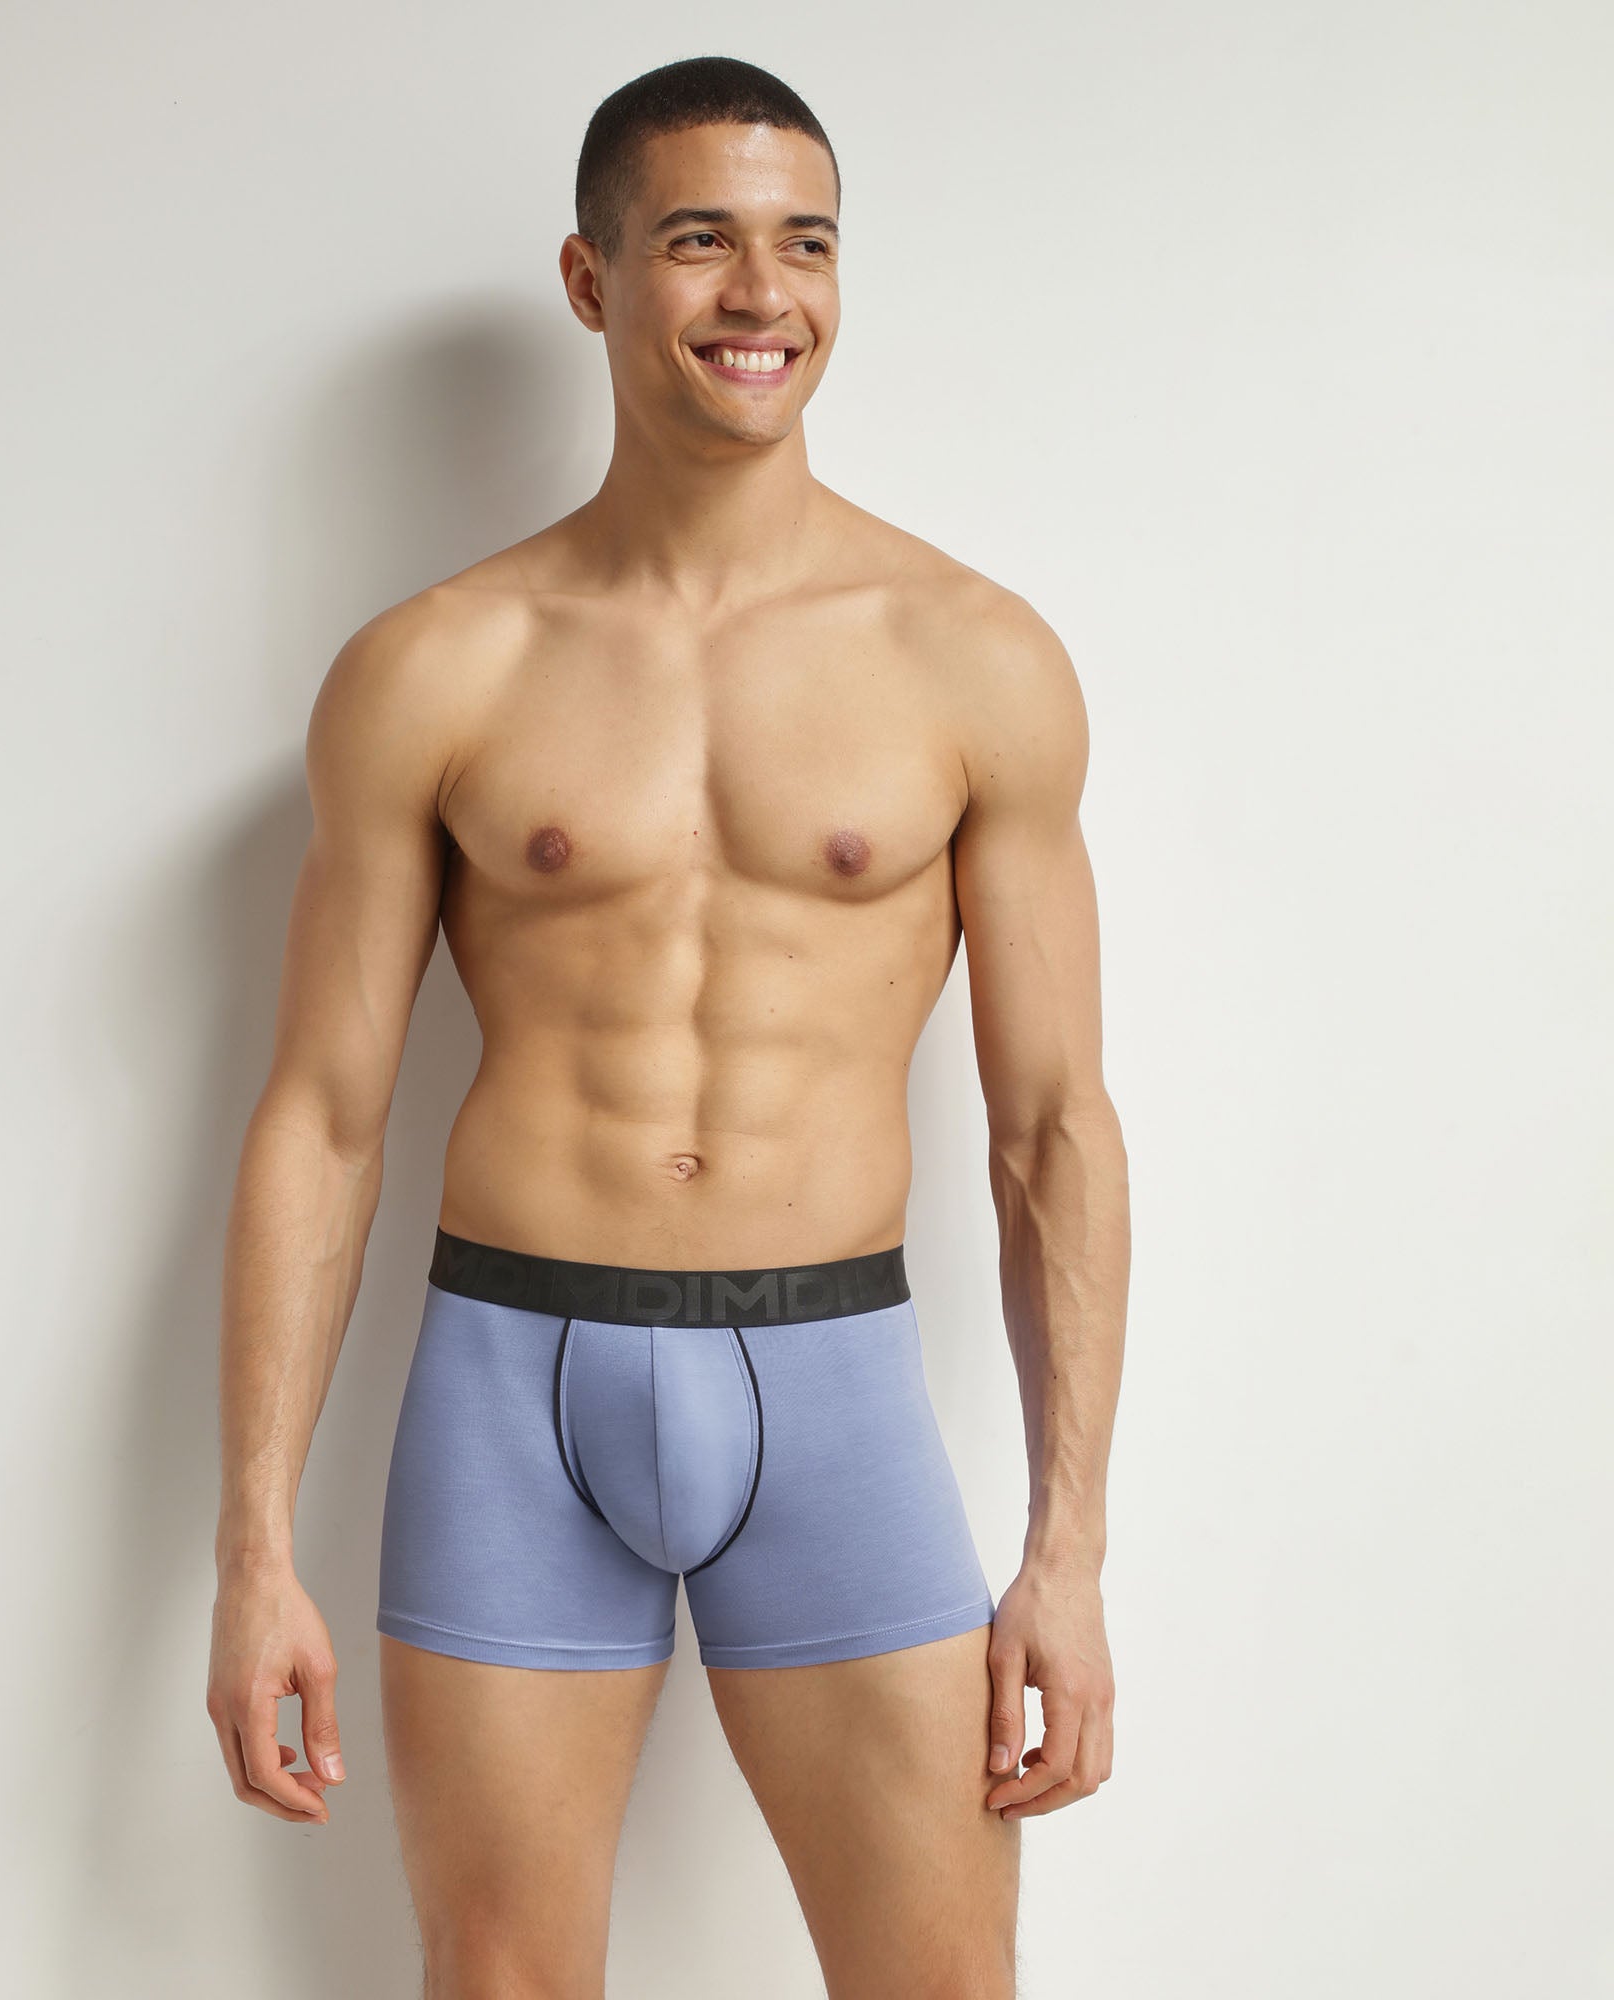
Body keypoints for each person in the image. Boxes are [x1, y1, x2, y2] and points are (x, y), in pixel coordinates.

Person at [206, 53, 1129, 1997]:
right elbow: (324, 1115)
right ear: (591, 277)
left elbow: (1052, 1126)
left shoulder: (972, 659)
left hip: (834, 1379)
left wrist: (1070, 1548)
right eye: (701, 240)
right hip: (510, 1389)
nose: (762, 294)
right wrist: (251, 1547)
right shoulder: (435, 665)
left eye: (808, 245)